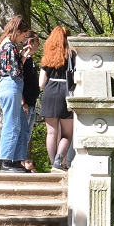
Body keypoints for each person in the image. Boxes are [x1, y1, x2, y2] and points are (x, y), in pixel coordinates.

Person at [0, 15, 33, 173]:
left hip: (11, 86)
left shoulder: (6, 45)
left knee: (22, 125)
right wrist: (22, 56)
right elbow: (15, 71)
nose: (23, 39)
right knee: (12, 124)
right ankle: (7, 161)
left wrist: (23, 55)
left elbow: (14, 67)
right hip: (11, 85)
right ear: (17, 31)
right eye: (23, 35)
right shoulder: (9, 46)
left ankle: (17, 159)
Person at [39, 26, 76, 171]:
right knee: (67, 134)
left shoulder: (47, 59)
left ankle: (53, 163)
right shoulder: (72, 56)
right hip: (64, 93)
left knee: (51, 132)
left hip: (49, 92)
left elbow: (41, 83)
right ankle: (58, 161)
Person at [18, 32, 41, 171]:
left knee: (27, 136)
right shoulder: (23, 59)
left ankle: (21, 162)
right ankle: (18, 163)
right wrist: (22, 101)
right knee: (22, 135)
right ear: (31, 42)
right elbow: (19, 79)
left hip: (32, 103)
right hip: (25, 103)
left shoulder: (31, 59)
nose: (39, 45)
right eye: (37, 42)